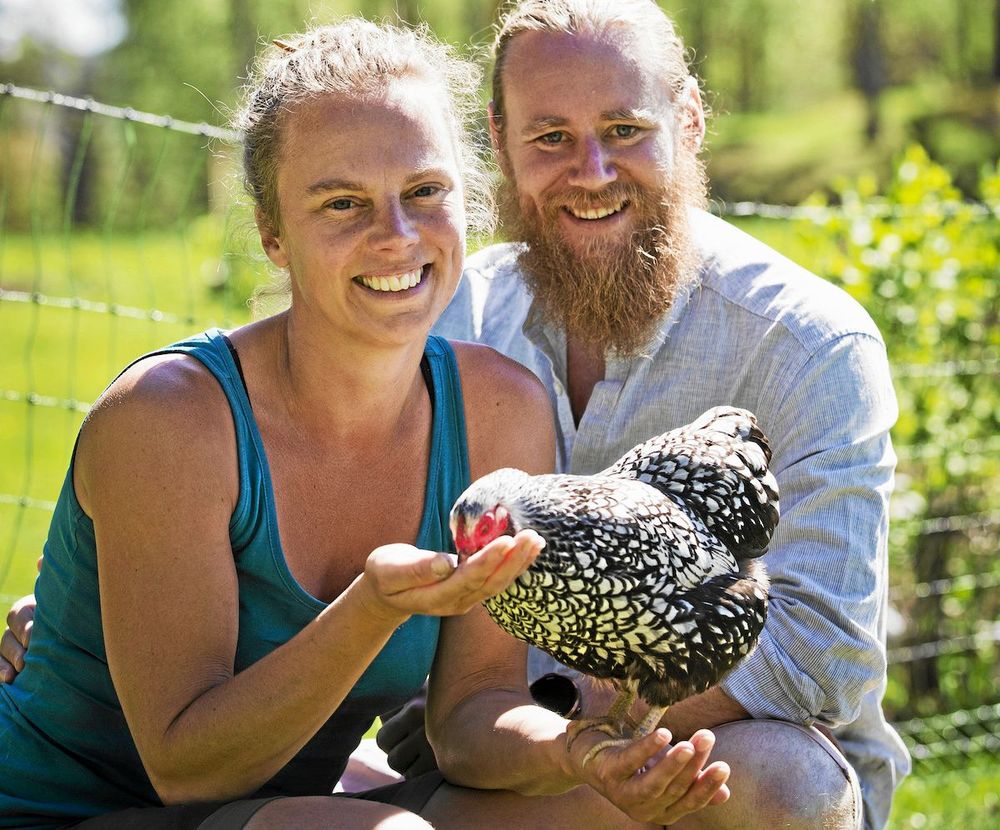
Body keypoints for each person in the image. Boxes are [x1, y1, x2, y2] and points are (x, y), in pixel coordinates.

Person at [0, 17, 735, 830]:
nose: (397, 236)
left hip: (287, 812)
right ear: (273, 232)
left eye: (424, 192)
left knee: (588, 812)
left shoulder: (499, 408)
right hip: (64, 812)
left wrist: (577, 752)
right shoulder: (170, 417)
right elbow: (189, 771)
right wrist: (372, 608)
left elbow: (472, 713)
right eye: (343, 204)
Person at [422, 1, 912, 829]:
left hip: (730, 755)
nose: (591, 171)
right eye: (550, 137)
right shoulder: (454, 318)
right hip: (500, 750)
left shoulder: (807, 342)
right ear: (500, 141)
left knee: (788, 784)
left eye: (624, 129)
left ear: (688, 121)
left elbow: (819, 652)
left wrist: (568, 723)